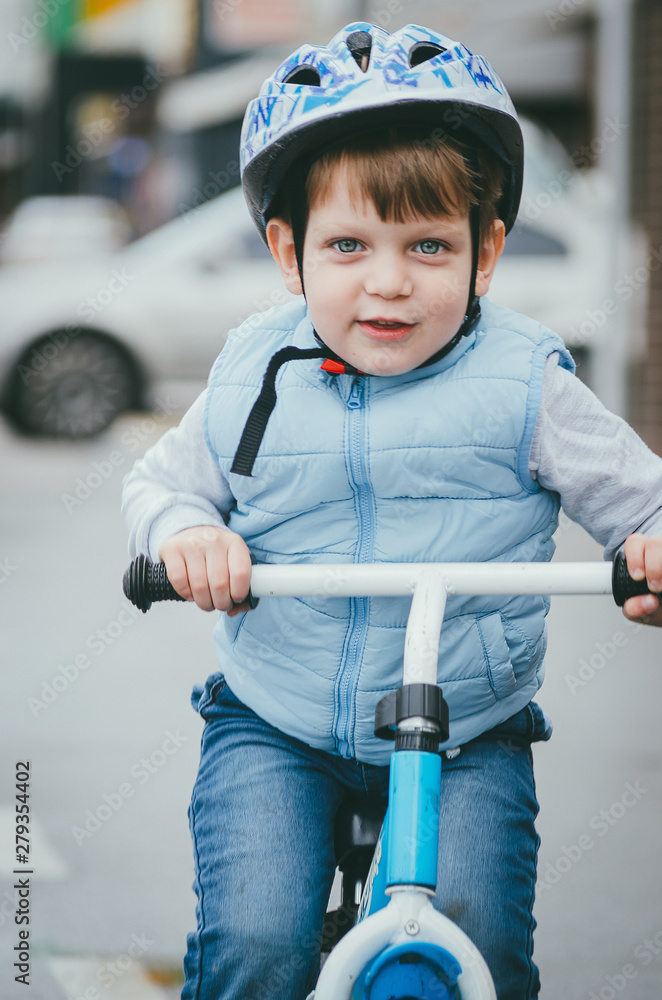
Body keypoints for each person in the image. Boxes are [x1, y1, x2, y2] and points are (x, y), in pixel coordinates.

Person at [122, 22, 662, 1000]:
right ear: (287, 252)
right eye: (346, 244)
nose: (387, 280)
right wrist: (185, 533)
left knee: (478, 938)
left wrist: (650, 549)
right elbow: (159, 485)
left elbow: (642, 501)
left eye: (427, 244)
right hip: (276, 718)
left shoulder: (524, 383)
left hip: (465, 722)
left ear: (484, 251)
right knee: (255, 941)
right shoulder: (255, 371)